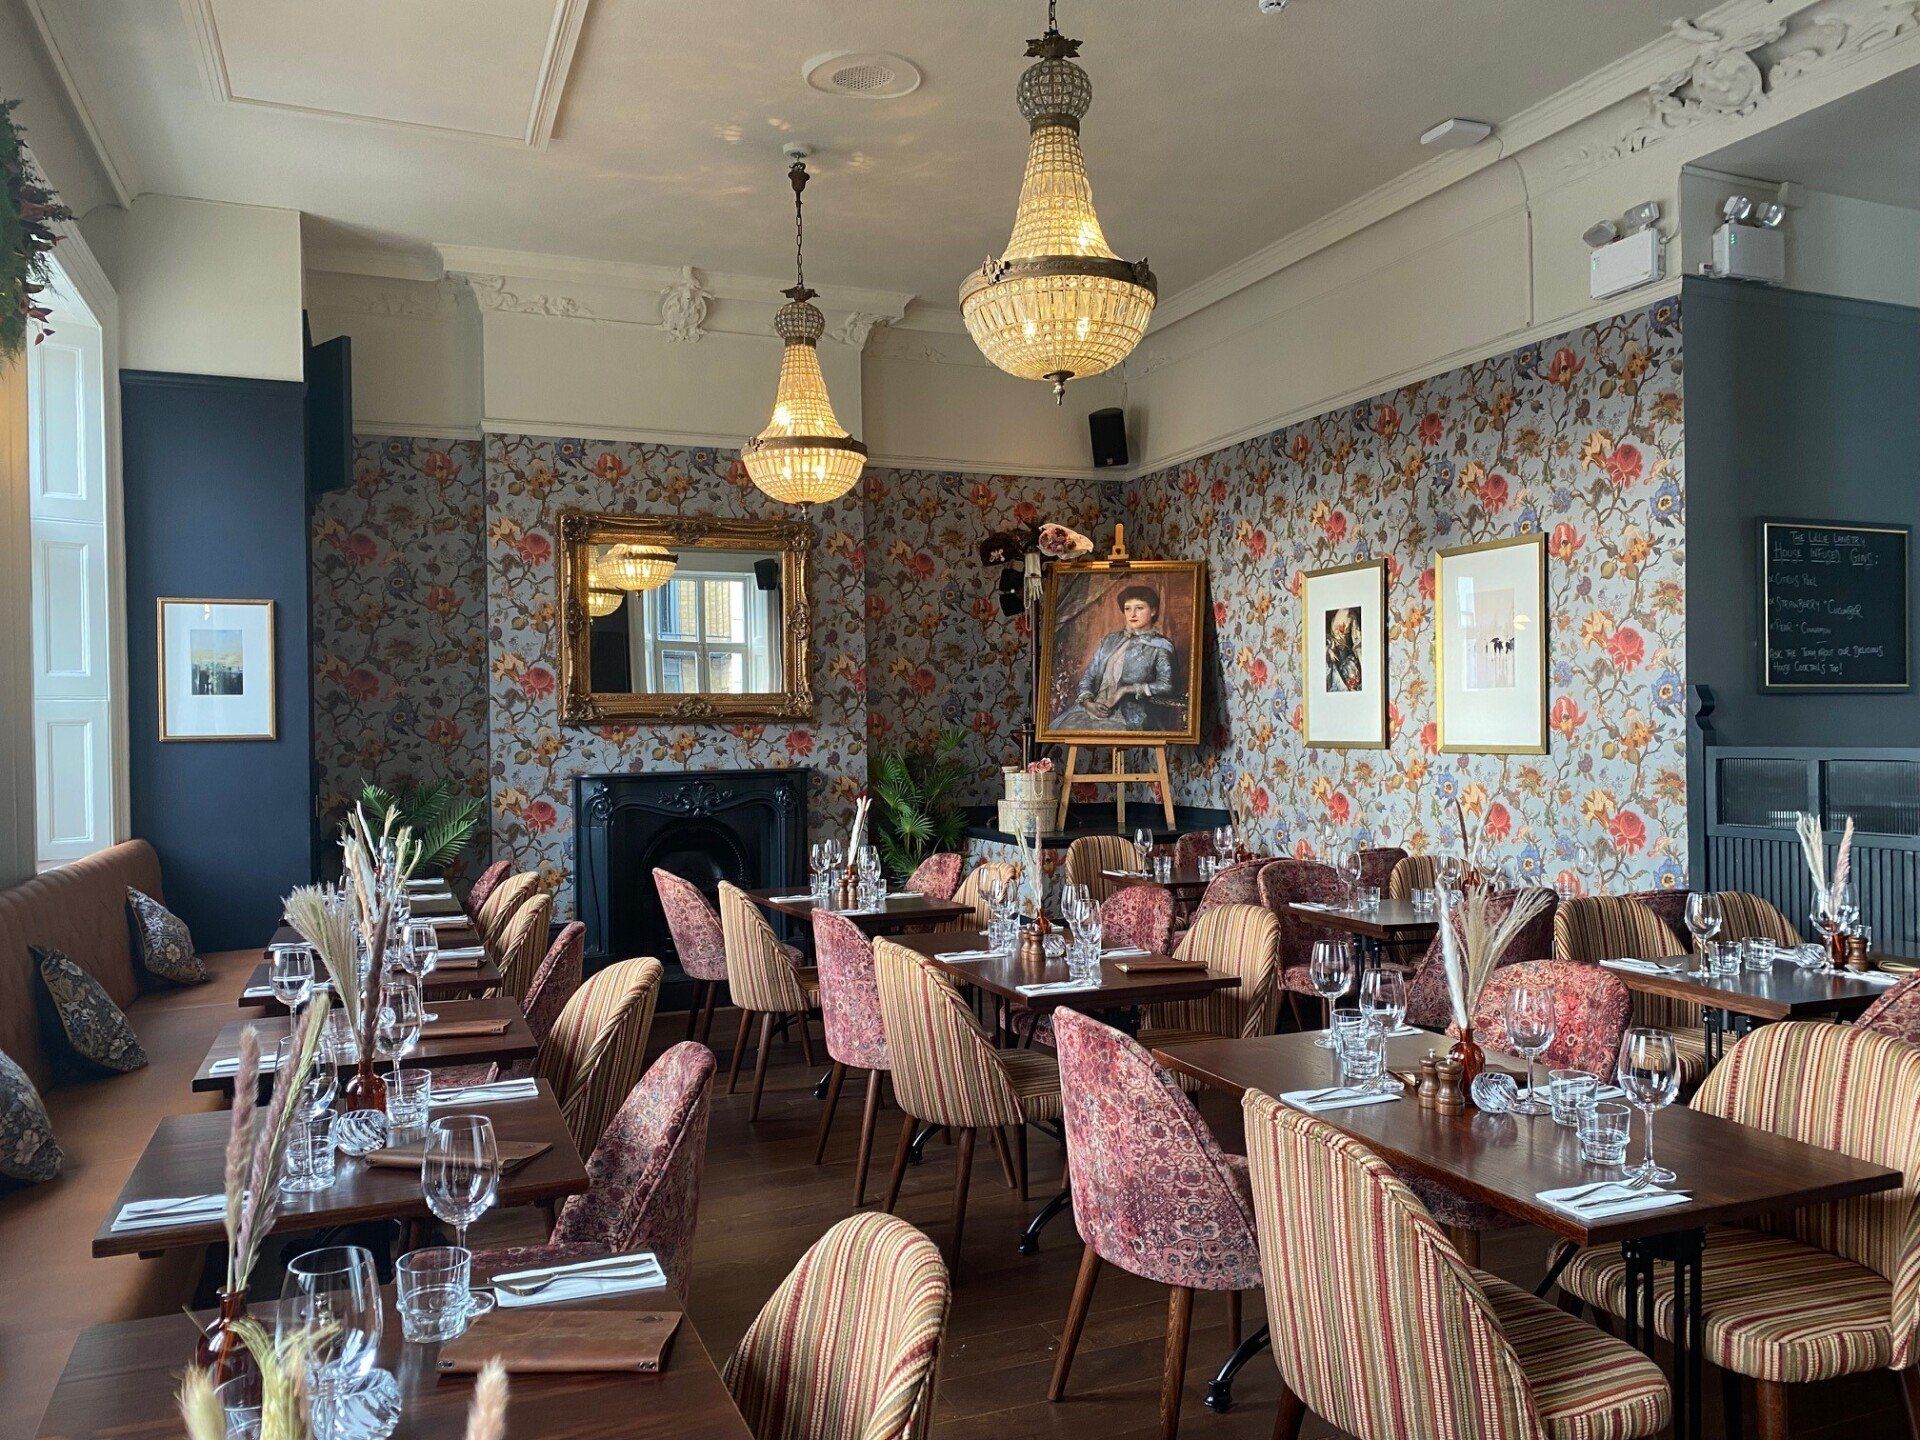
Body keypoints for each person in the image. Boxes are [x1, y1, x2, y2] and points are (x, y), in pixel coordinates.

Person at [1052, 584, 1177, 732]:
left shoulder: (1161, 646)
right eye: (1127, 608)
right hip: (1092, 709)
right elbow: (1089, 675)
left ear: (1153, 611)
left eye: (1139, 608)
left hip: (1131, 714)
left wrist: (1124, 691)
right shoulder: (1110, 640)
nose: (1132, 614)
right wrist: (1087, 703)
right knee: (1062, 728)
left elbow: (1167, 686)